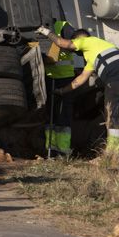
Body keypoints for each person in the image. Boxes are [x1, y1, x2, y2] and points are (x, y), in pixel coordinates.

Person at [38, 25, 119, 154]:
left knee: (112, 115)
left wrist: (45, 31)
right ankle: (118, 149)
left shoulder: (88, 41)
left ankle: (114, 153)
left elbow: (62, 43)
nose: (75, 51)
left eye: (76, 46)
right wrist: (62, 91)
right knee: (115, 115)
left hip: (116, 80)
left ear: (79, 40)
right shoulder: (94, 53)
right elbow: (80, 79)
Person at [43, 19, 76, 156]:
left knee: (62, 115)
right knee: (51, 116)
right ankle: (51, 149)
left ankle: (61, 151)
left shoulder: (62, 26)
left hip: (64, 78)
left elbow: (73, 45)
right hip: (49, 77)